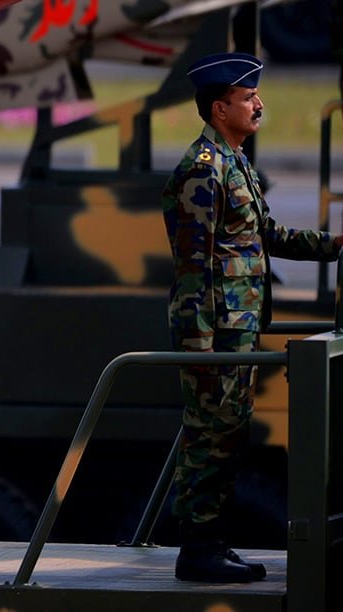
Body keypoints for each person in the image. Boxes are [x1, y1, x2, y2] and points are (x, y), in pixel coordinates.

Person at [161, 51, 342, 583]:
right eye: (247, 99)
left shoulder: (235, 162)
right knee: (209, 439)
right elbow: (194, 265)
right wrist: (199, 348)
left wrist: (333, 244)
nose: (258, 105)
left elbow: (269, 237)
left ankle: (212, 543)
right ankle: (197, 552)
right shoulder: (203, 171)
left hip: (236, 330)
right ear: (220, 109)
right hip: (214, 334)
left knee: (229, 436)